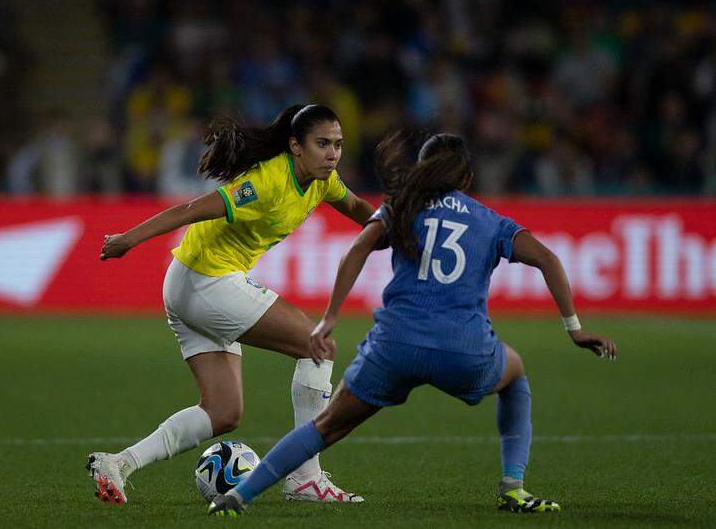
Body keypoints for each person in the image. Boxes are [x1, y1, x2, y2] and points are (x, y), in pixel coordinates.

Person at [207, 132, 617, 517]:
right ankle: (513, 487)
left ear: (423, 169)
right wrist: (574, 328)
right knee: (514, 377)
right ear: (468, 177)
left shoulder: (401, 206)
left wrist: (330, 317)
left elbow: (357, 250)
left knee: (325, 426)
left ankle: (238, 495)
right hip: (465, 349)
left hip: (394, 347)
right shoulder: (491, 221)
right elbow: (548, 258)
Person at [87, 104, 375, 504]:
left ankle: (119, 463)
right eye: (322, 143)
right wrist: (128, 239)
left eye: (338, 145)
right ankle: (305, 478)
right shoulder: (268, 181)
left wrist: (400, 226)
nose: (332, 154)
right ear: (295, 146)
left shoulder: (323, 181)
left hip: (189, 283)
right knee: (317, 344)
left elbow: (361, 210)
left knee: (222, 412)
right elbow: (192, 209)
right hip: (207, 281)